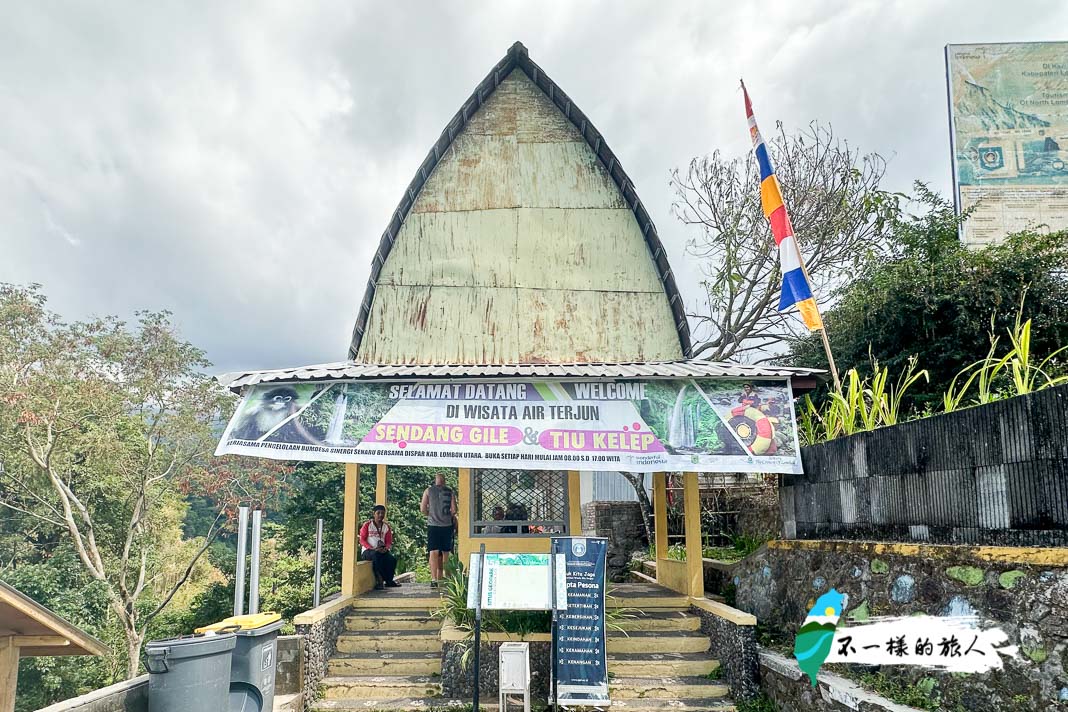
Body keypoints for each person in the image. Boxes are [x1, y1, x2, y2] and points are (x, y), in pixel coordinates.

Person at [420, 473, 456, 588]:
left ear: (435, 480)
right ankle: (448, 577)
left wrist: (430, 515)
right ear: (444, 481)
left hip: (433, 525)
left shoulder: (428, 491)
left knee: (433, 552)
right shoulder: (450, 492)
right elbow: (454, 510)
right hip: (447, 525)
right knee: (446, 552)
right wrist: (447, 517)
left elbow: (422, 509)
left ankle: (434, 579)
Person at [359, 504, 399, 590]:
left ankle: (389, 581)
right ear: (374, 514)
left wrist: (386, 548)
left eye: (382, 513)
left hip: (381, 550)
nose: (381, 515)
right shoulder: (367, 525)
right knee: (376, 557)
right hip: (368, 551)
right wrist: (371, 548)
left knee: (392, 560)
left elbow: (389, 541)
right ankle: (379, 581)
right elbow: (362, 540)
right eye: (378, 513)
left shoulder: (386, 527)